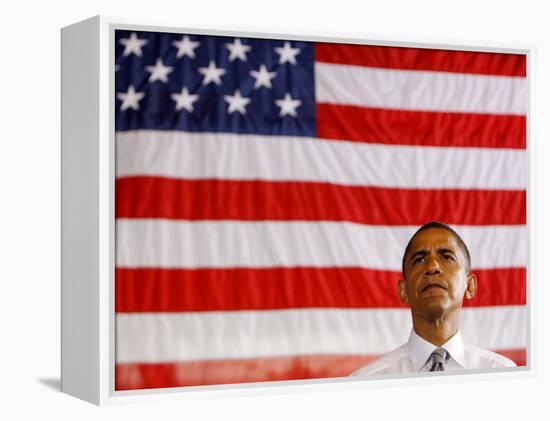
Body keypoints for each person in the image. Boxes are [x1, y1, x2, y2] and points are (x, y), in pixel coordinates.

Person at [351, 221, 516, 376]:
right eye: (419, 259)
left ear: (470, 285)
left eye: (447, 257)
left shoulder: (503, 373)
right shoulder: (364, 381)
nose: (432, 267)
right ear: (403, 291)